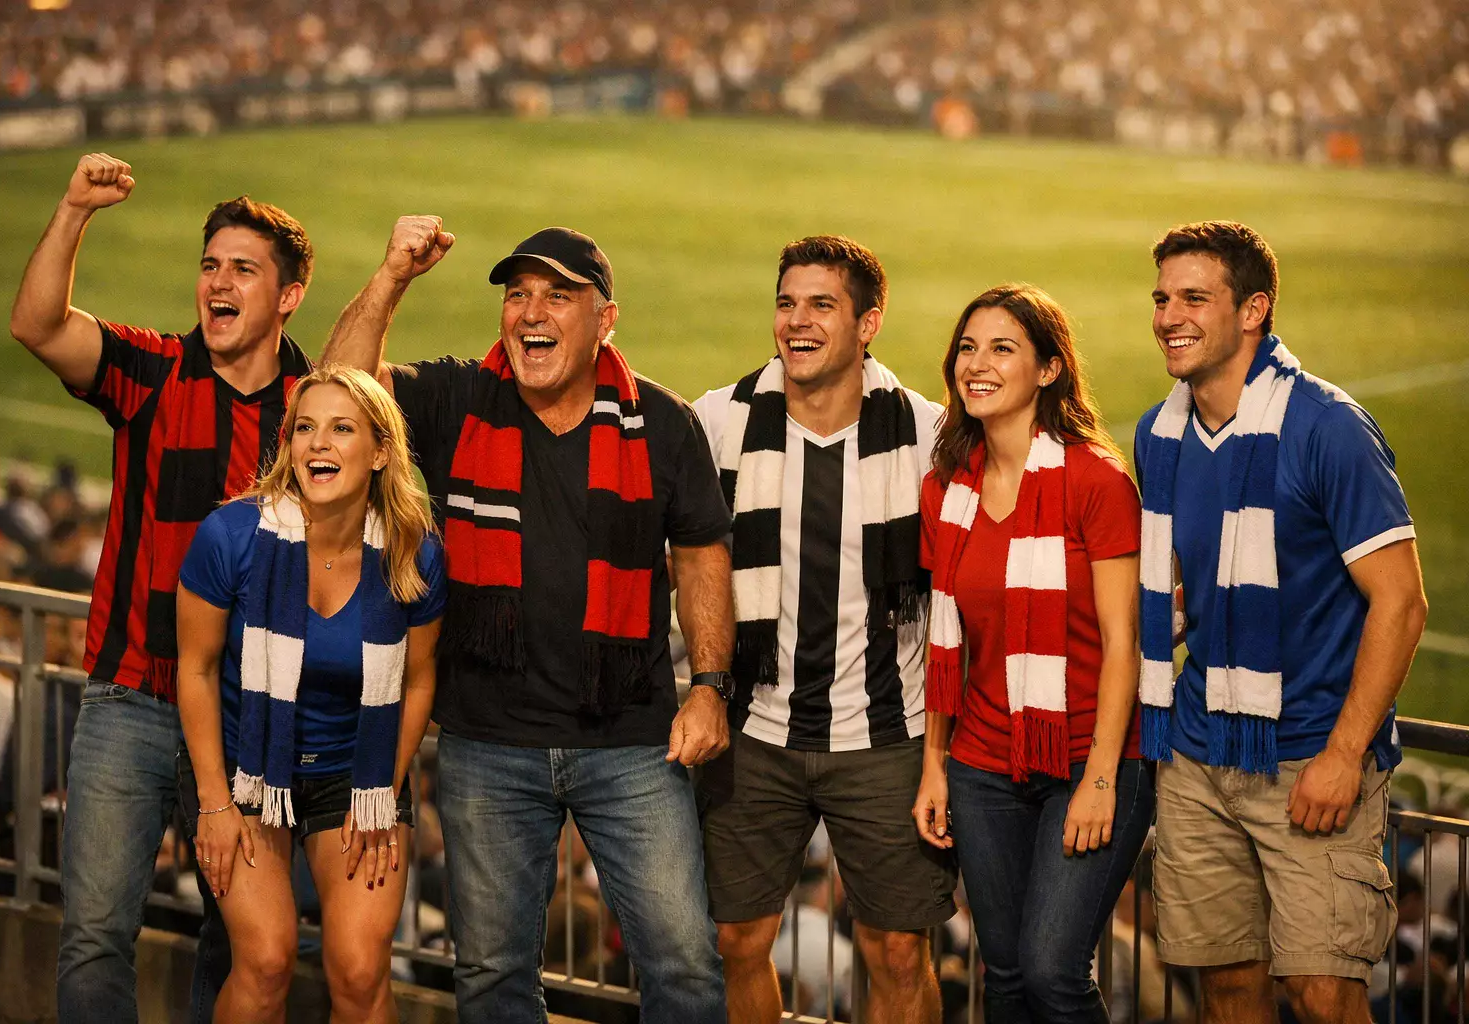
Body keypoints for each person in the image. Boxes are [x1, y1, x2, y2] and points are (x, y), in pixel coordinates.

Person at [322, 220, 732, 1022]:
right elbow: (339, 389)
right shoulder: (458, 398)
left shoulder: (661, 422)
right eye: (518, 294)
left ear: (605, 318)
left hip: (631, 740)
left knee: (684, 966)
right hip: (487, 742)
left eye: (557, 295)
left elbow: (699, 556)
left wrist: (711, 685)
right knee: (492, 977)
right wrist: (393, 276)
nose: (530, 312)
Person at [8, 151, 314, 1023]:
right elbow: (37, 325)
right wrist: (72, 210)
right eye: (209, 264)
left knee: (243, 947)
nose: (217, 282)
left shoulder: (310, 410)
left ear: (287, 296)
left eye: (242, 270)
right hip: (132, 697)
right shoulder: (149, 372)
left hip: (250, 714)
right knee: (97, 932)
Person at [1135, 221, 1428, 1024]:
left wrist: (1343, 753)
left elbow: (1401, 602)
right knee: (1228, 988)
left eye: (1195, 297)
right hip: (1196, 760)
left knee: (1324, 996)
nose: (1168, 316)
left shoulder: (1328, 427)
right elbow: (1194, 585)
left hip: (1308, 761)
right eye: (1162, 298)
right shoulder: (1158, 433)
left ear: (1254, 309)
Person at [689, 235, 955, 1024]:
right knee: (738, 938)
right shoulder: (720, 420)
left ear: (869, 322)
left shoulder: (930, 434)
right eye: (786, 303)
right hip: (756, 732)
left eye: (821, 306)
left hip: (887, 731)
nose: (796, 323)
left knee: (899, 951)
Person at [911, 283, 1153, 1022]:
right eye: (967, 347)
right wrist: (935, 768)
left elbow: (1125, 646)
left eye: (1002, 349)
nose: (976, 365)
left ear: (1049, 370)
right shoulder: (946, 486)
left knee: (1053, 973)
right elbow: (944, 641)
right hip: (981, 766)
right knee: (1007, 976)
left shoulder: (1096, 481)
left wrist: (1102, 781)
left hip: (1087, 757)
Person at [176, 365, 444, 1022]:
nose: (319, 445)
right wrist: (213, 801)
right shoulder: (230, 537)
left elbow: (417, 679)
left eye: (342, 429)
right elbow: (197, 669)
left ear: (381, 451)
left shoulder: (414, 550)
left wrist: (385, 786)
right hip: (246, 772)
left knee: (358, 972)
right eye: (305, 429)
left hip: (356, 773)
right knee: (265, 962)